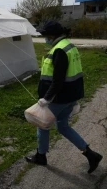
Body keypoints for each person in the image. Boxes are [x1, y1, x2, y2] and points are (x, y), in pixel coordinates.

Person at [25, 21, 103, 173]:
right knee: (63, 127)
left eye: (45, 35)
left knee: (42, 125)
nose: (44, 38)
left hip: (57, 98)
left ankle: (41, 157)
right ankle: (91, 155)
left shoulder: (59, 50)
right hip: (69, 96)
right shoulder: (68, 45)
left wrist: (46, 98)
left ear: (52, 35)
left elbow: (58, 80)